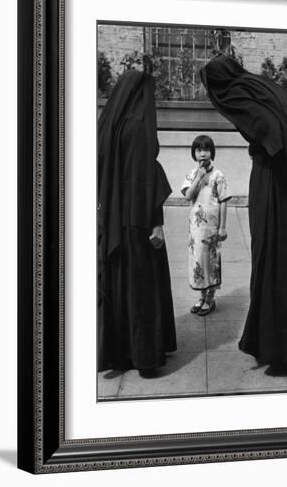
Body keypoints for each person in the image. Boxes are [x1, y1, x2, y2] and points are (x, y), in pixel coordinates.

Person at [200, 54, 287, 371]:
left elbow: (273, 133)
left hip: (276, 179)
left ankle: (277, 345)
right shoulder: (261, 84)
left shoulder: (238, 92)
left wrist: (268, 154)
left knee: (273, 254)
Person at [97, 69, 176, 374]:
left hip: (116, 220)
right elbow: (145, 176)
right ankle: (145, 356)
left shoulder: (109, 125)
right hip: (139, 221)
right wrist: (156, 221)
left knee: (120, 286)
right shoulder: (141, 125)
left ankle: (121, 354)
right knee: (143, 289)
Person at [181, 135, 231, 316]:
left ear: (212, 152)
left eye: (206, 150)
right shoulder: (191, 174)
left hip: (211, 227)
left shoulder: (218, 175)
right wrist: (199, 177)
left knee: (211, 261)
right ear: (194, 153)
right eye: (199, 150)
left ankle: (210, 298)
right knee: (198, 260)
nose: (202, 154)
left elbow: (224, 200)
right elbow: (188, 195)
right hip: (195, 228)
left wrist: (223, 227)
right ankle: (201, 296)